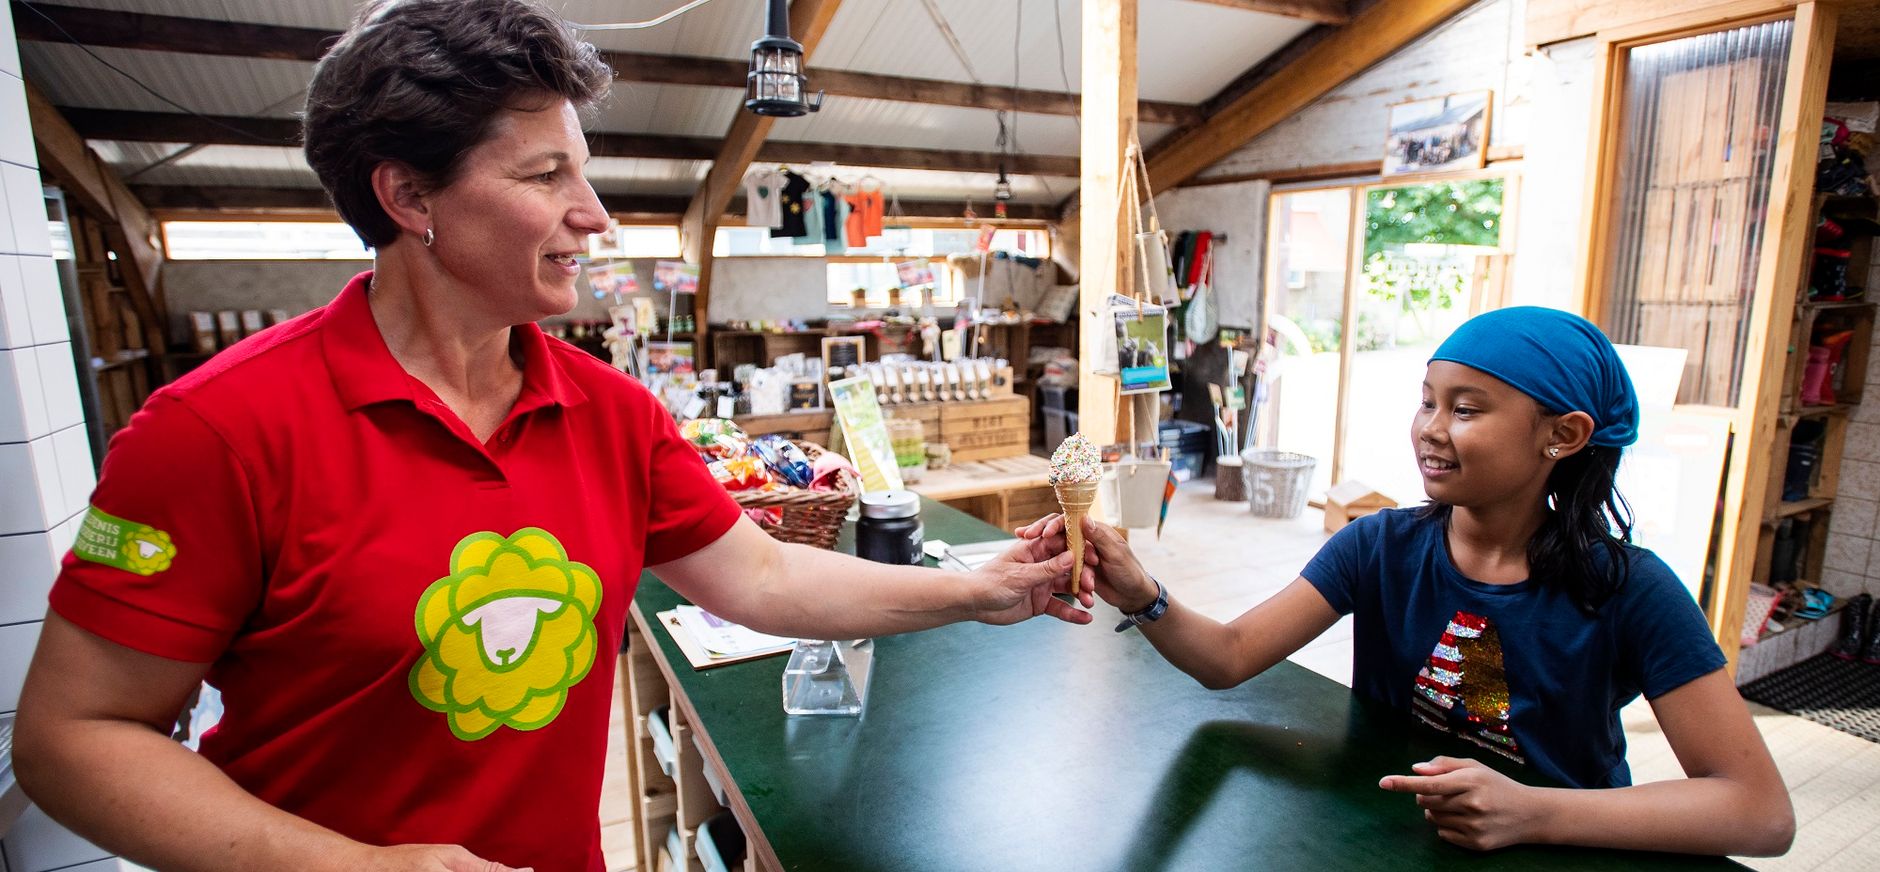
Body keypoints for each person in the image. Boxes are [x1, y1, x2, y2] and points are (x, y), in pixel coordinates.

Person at [10, 3, 1092, 872]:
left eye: (583, 168)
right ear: (407, 196)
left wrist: (975, 589)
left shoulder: (609, 411)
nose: (597, 214)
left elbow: (758, 573)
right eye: (545, 176)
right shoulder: (216, 431)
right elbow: (72, 739)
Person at [1031, 306, 1795, 857]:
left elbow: (1758, 812)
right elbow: (1229, 656)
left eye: (1466, 409)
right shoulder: (1380, 547)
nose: (1430, 427)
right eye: (1427, 400)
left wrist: (1535, 815)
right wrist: (1142, 592)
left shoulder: (1632, 590)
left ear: (1562, 436)